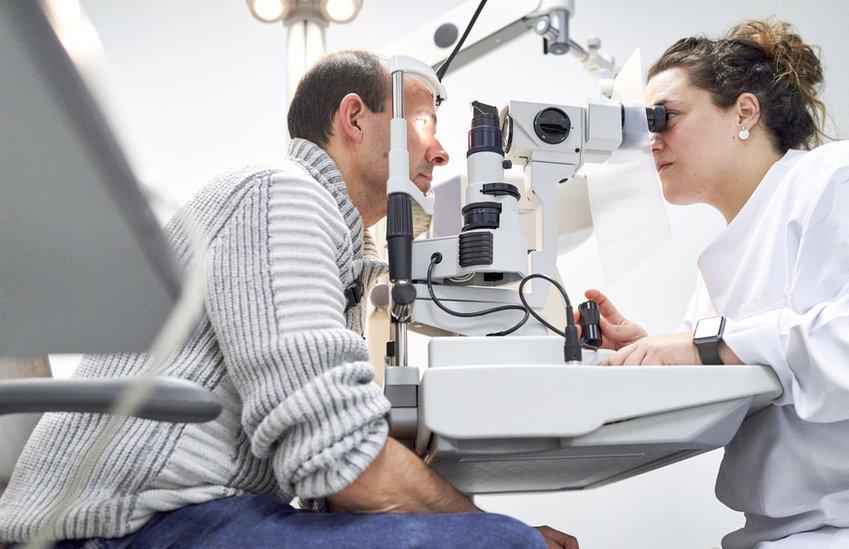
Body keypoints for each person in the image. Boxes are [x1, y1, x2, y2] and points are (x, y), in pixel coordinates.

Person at [0, 50, 576, 549]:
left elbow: (332, 468)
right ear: (353, 117)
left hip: (188, 515)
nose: (443, 151)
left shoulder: (337, 244)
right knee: (502, 542)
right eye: (423, 121)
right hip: (124, 526)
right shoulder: (281, 194)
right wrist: (485, 524)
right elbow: (341, 463)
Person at [579, 20, 849, 548]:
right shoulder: (732, 251)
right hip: (795, 531)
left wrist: (707, 347)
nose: (652, 142)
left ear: (745, 111)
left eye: (665, 117)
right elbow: (758, 369)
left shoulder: (843, 176)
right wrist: (654, 356)